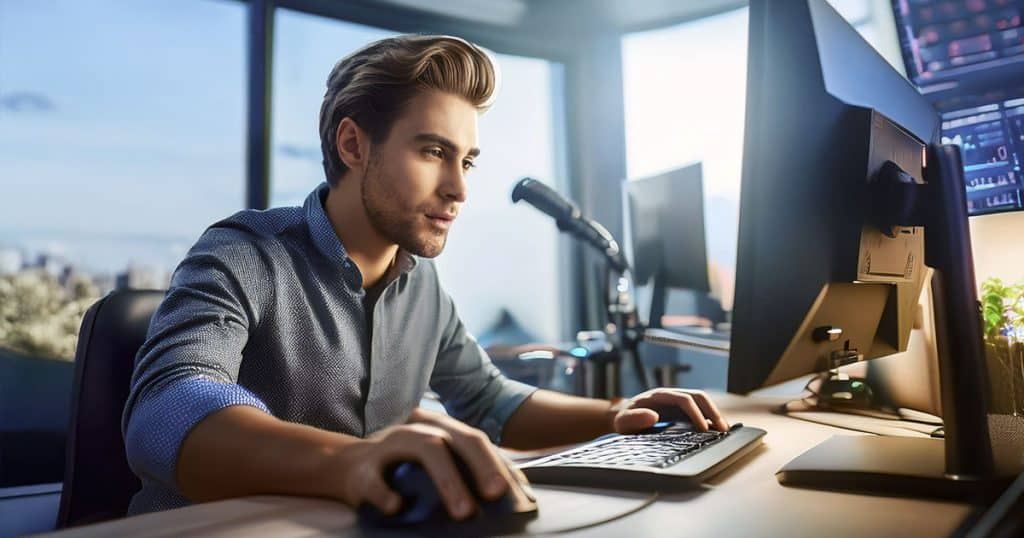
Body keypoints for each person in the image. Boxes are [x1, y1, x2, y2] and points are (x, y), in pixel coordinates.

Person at [123, 34, 729, 520]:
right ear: (354, 145)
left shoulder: (423, 286)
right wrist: (355, 463)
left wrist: (617, 416)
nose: (460, 188)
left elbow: (490, 400)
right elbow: (169, 404)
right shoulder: (245, 252)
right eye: (433, 152)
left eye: (466, 161)